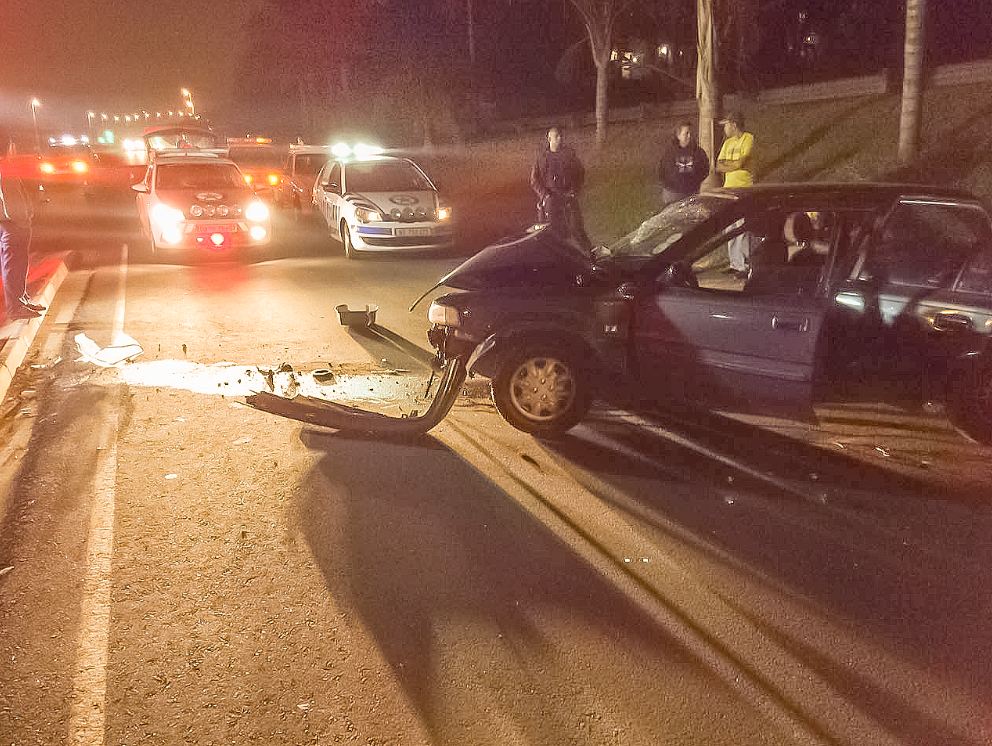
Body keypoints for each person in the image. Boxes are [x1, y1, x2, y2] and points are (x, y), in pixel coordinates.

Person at [0, 130, 43, 321]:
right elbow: (7, 200)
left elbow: (20, 194)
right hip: (11, 225)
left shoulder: (8, 167)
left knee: (20, 263)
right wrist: (20, 219)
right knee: (12, 266)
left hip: (18, 224)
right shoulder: (2, 169)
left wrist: (28, 215)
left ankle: (22, 299)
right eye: (12, 145)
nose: (14, 149)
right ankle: (15, 307)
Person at [530, 124, 591, 249]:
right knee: (552, 232)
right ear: (549, 139)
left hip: (567, 195)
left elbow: (580, 172)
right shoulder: (542, 157)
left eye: (561, 136)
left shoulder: (569, 154)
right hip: (550, 198)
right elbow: (534, 179)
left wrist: (575, 190)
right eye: (556, 136)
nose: (560, 138)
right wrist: (544, 195)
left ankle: (590, 253)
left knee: (576, 227)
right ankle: (557, 258)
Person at [716, 112, 755, 277]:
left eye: (726, 125)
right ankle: (734, 263)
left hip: (743, 188)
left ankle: (744, 265)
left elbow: (741, 162)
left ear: (734, 124)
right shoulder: (727, 143)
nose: (724, 128)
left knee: (741, 226)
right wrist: (733, 165)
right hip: (728, 188)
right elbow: (718, 166)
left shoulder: (748, 138)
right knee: (729, 228)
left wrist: (730, 164)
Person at [657, 122, 709, 205]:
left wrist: (694, 183)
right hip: (673, 194)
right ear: (678, 136)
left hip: (692, 192)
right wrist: (671, 185)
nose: (689, 136)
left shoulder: (698, 152)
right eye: (686, 133)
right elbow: (663, 171)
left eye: (691, 133)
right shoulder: (670, 153)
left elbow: (705, 169)